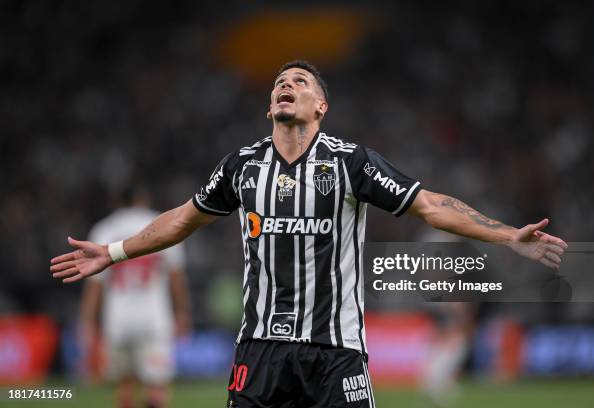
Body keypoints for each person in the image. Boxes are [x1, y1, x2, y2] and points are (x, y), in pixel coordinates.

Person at [51, 60, 567, 408]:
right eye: (279, 81)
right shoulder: (242, 167)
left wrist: (506, 237)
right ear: (269, 105)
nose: (285, 84)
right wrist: (114, 251)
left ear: (321, 106)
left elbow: (430, 206)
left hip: (335, 350)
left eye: (299, 81)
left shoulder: (351, 163)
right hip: (259, 351)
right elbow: (183, 219)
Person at [78, 188, 191, 408]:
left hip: (118, 321)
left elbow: (95, 286)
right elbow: (176, 278)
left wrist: (88, 322)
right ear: (142, 198)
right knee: (157, 389)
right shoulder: (163, 224)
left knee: (124, 390)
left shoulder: (104, 230)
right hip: (154, 319)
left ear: (117, 202)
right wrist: (182, 313)